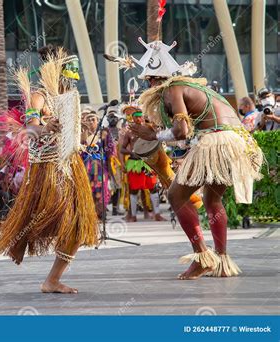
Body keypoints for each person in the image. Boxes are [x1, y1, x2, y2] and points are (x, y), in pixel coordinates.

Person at [114, 37, 263, 279]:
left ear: (155, 79)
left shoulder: (172, 89)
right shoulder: (196, 87)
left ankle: (202, 256)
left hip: (215, 143)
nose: (147, 86)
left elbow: (181, 130)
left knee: (175, 195)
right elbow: (194, 128)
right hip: (236, 143)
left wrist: (153, 135)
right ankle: (222, 261)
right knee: (213, 202)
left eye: (148, 81)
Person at [0, 45, 99, 294]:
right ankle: (20, 237)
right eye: (67, 79)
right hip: (46, 168)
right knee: (49, 213)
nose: (70, 85)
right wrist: (46, 128)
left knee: (78, 224)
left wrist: (79, 145)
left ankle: (52, 280)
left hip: (71, 166)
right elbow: (30, 127)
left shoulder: (70, 100)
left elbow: (70, 135)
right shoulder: (39, 96)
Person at [119, 110, 166, 222]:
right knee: (134, 190)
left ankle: (157, 214)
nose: (139, 119)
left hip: (148, 163)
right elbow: (122, 149)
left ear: (143, 118)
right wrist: (130, 154)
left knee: (153, 188)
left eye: (141, 117)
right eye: (136, 118)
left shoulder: (149, 130)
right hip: (134, 163)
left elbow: (157, 143)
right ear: (133, 119)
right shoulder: (129, 133)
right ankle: (133, 216)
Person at [80, 110, 114, 219]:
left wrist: (110, 170)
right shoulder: (81, 134)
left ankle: (101, 214)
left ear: (98, 121)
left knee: (102, 190)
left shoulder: (103, 134)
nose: (90, 121)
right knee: (88, 191)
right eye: (88, 120)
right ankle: (90, 216)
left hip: (100, 167)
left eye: (93, 119)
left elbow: (110, 151)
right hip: (86, 168)